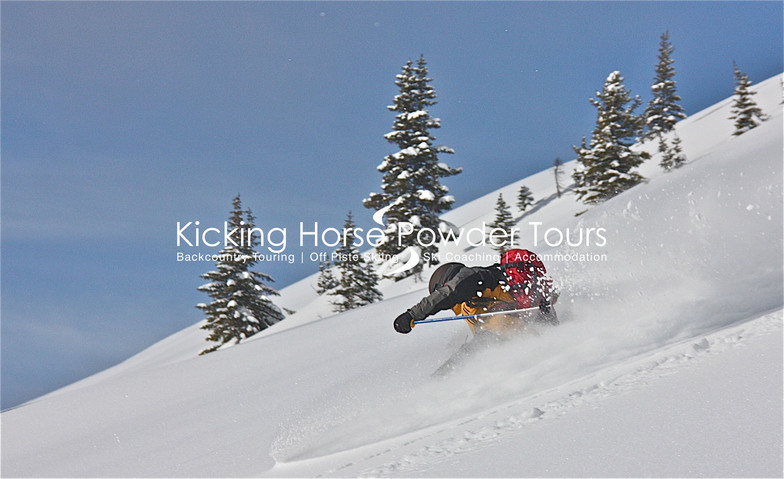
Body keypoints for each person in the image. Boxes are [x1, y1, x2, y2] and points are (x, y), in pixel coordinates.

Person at [393, 248, 558, 336]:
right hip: (532, 321)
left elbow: (444, 295)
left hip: (514, 328)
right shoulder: (472, 304)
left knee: (486, 341)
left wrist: (411, 315)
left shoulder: (469, 279)